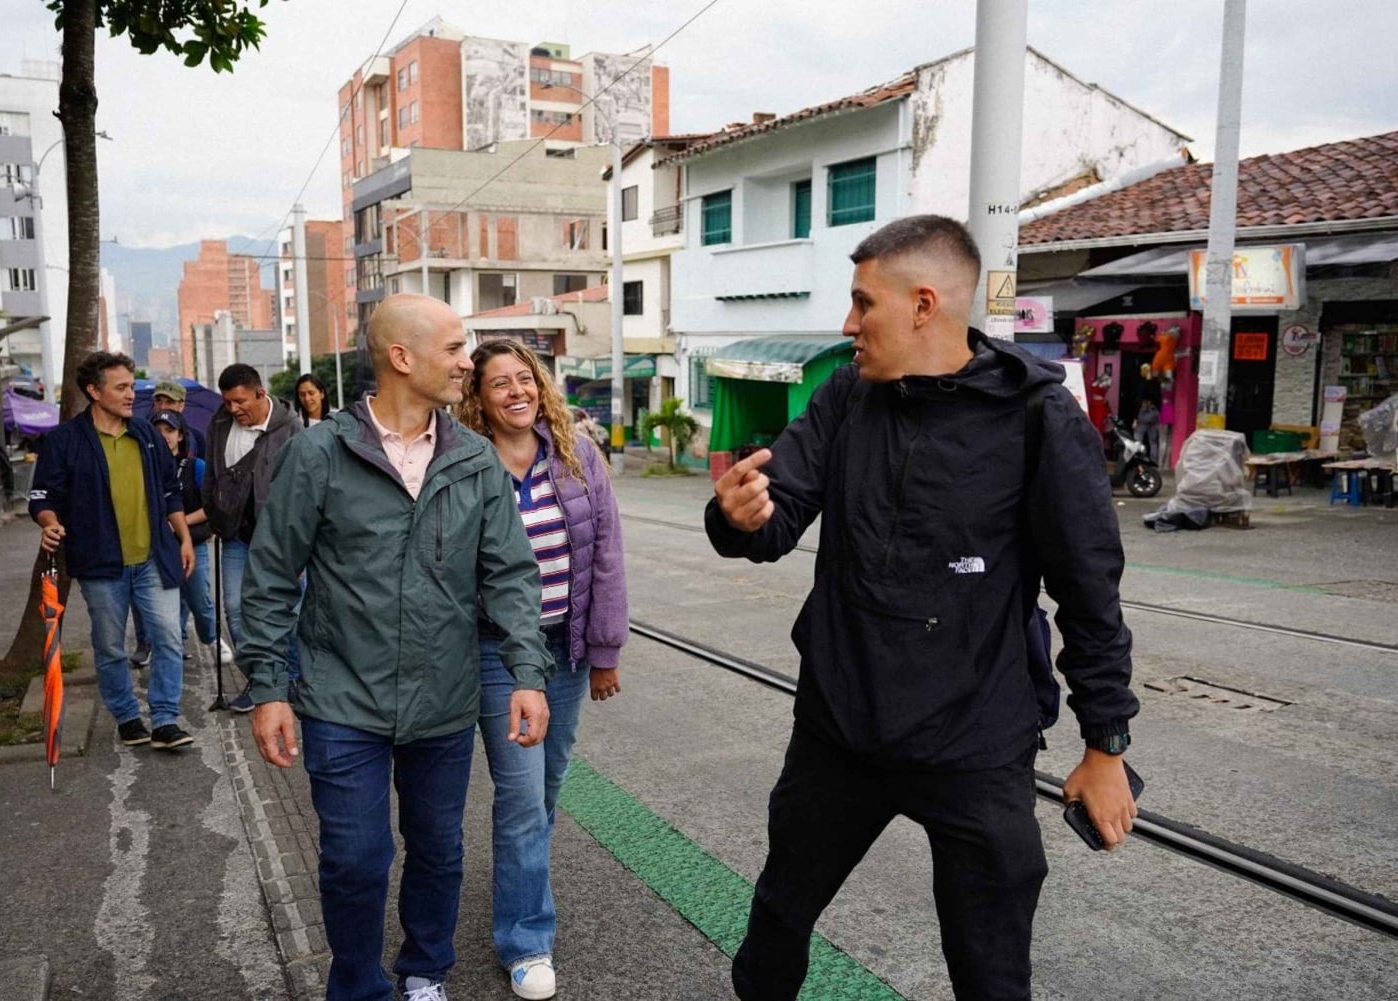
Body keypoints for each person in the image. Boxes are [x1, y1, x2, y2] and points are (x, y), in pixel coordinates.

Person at [706, 216, 1139, 1001]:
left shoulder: (1038, 417)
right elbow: (779, 515)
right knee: (775, 923)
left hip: (975, 742)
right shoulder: (846, 396)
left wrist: (1105, 744)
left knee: (992, 969)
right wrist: (739, 520)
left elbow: (1088, 591)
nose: (847, 324)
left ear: (923, 304)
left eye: (862, 303)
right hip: (841, 730)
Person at [240, 294, 552, 1001]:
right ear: (402, 358)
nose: (467, 362)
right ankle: (356, 984)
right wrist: (268, 687)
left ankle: (423, 970)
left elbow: (509, 573)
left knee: (438, 849)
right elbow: (269, 574)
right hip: (339, 696)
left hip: (444, 699)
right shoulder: (319, 452)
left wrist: (527, 673)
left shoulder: (473, 459)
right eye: (455, 349)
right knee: (356, 856)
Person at [457, 340, 627, 1000]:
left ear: (541, 386)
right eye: (498, 383)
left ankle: (518, 883)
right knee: (524, 796)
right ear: (479, 396)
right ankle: (526, 937)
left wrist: (605, 651)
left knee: (546, 788)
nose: (514, 391)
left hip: (566, 650)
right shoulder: (468, 461)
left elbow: (607, 552)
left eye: (523, 379)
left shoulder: (578, 453)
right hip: (498, 653)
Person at [29, 351, 197, 751]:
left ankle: (166, 720)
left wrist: (184, 537)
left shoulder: (146, 434)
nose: (130, 395)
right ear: (93, 390)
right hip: (100, 563)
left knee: (170, 637)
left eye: (130, 386)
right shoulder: (64, 441)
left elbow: (170, 491)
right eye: (121, 387)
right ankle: (126, 716)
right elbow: (41, 496)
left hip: (154, 557)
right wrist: (49, 523)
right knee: (109, 645)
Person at [203, 363, 300, 711]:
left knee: (288, 613)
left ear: (261, 393)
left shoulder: (291, 428)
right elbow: (213, 472)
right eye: (228, 402)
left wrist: (303, 545)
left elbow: (303, 491)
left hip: (280, 539)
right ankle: (262, 682)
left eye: (240, 401)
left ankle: (290, 680)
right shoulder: (218, 422)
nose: (234, 409)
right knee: (236, 610)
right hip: (235, 536)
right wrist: (212, 509)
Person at [150, 409, 218, 663]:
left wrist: (180, 523)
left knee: (199, 600)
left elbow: (211, 506)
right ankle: (172, 648)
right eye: (158, 431)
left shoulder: (195, 466)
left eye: (169, 430)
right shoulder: (147, 468)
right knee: (169, 604)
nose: (164, 436)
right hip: (159, 547)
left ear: (180, 436)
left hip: (194, 543)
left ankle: (211, 636)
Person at [1135, 364, 1162, 464]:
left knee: (1138, 439)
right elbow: (1159, 399)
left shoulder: (1142, 384)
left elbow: (1139, 401)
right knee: (1153, 441)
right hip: (1154, 412)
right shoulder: (1156, 383)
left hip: (1144, 411)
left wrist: (1135, 419)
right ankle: (1154, 462)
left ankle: (1138, 462)